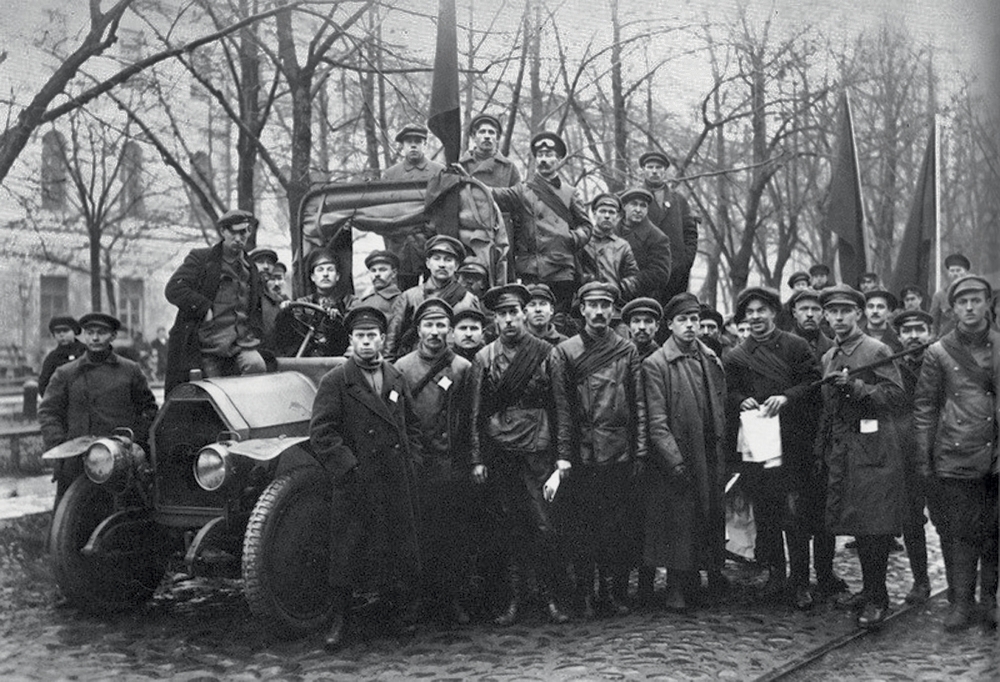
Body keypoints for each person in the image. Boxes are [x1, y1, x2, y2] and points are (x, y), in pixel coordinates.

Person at [309, 306, 424, 651]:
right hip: (356, 481)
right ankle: (340, 622)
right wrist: (349, 467)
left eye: (372, 336)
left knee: (396, 548)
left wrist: (411, 459)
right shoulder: (336, 381)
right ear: (350, 340)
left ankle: (395, 616)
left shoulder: (395, 377)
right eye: (360, 336)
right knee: (346, 553)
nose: (366, 343)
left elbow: (412, 423)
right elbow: (322, 433)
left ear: (382, 339)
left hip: (393, 478)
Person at [468, 284, 570, 626]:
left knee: (545, 525)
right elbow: (476, 414)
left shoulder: (546, 353)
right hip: (501, 453)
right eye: (502, 314)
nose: (509, 320)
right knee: (509, 526)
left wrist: (563, 455)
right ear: (494, 319)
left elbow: (561, 408)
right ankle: (513, 600)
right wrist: (478, 458)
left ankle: (551, 598)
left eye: (514, 312)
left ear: (524, 314)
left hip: (538, 450)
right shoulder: (484, 358)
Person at [724, 287, 823, 610]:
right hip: (757, 445)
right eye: (749, 312)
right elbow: (729, 393)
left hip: (793, 444)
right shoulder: (737, 356)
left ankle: (800, 582)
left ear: (774, 313)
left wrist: (787, 397)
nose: (755, 317)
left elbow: (813, 382)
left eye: (761, 310)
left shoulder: (796, 347)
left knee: (794, 516)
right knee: (766, 514)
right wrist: (742, 400)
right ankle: (776, 576)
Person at [550, 282, 646, 619]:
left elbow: (638, 405)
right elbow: (561, 408)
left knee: (614, 527)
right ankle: (585, 594)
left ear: (613, 309)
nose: (600, 311)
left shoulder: (627, 350)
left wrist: (641, 450)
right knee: (582, 527)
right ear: (582, 309)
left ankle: (610, 592)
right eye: (593, 304)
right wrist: (563, 455)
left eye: (606, 304)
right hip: (582, 453)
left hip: (618, 451)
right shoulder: (565, 351)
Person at [815, 284, 907, 628]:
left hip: (874, 449)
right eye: (832, 312)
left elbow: (896, 396)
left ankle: (877, 597)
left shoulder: (875, 350)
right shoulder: (828, 356)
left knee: (874, 526)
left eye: (845, 311)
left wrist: (858, 388)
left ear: (859, 314)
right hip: (842, 450)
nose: (838, 318)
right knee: (854, 521)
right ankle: (868, 590)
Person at [914, 275, 998, 631]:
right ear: (953, 308)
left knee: (995, 531)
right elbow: (925, 407)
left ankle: (989, 600)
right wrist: (923, 458)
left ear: (987, 304)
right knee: (960, 533)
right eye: (962, 302)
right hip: (955, 453)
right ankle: (960, 603)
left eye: (976, 300)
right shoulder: (939, 352)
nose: (969, 308)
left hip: (997, 455)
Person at [642, 292, 728, 612]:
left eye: (694, 320)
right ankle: (676, 587)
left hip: (708, 449)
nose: (691, 326)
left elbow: (719, 405)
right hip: (679, 453)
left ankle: (699, 579)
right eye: (683, 320)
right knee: (678, 521)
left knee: (706, 515)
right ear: (670, 325)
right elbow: (656, 419)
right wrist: (673, 460)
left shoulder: (710, 359)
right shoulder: (656, 364)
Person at [394, 298, 474, 625]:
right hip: (416, 464)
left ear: (451, 331)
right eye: (429, 325)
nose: (435, 332)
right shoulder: (401, 368)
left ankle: (451, 599)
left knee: (452, 536)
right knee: (416, 536)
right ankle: (414, 602)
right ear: (418, 330)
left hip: (450, 464)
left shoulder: (462, 369)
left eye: (442, 325)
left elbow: (471, 418)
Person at [39, 312, 158, 510]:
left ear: (112, 336)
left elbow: (148, 409)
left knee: (125, 519)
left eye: (101, 333)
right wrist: (60, 444)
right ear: (84, 336)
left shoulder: (130, 371)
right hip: (77, 461)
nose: (95, 338)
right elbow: (48, 411)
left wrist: (134, 442)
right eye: (90, 332)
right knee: (69, 525)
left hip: (120, 460)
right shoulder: (66, 373)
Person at [786, 288, 849, 602]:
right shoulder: (785, 346)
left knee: (827, 514)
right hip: (795, 443)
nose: (810, 314)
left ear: (823, 313)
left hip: (827, 442)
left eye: (815, 308)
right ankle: (799, 582)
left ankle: (825, 573)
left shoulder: (833, 349)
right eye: (803, 309)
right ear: (793, 313)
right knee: (797, 517)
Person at [490, 132, 592, 316]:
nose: (544, 159)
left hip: (561, 269)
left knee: (560, 320)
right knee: (533, 319)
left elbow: (586, 226)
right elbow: (496, 194)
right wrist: (468, 180)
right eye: (540, 155)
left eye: (549, 155)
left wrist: (571, 239)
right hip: (532, 270)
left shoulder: (570, 192)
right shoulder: (523, 191)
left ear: (559, 159)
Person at [164, 209, 266, 392]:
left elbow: (255, 307)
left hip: (240, 344)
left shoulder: (251, 268)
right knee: (216, 395)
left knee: (257, 367)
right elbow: (174, 289)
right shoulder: (202, 259)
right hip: (208, 346)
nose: (238, 238)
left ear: (249, 232)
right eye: (233, 232)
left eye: (243, 232)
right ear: (223, 232)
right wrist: (204, 308)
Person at [891, 308, 935, 606]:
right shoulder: (892, 366)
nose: (914, 336)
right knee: (911, 520)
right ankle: (921, 581)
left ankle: (964, 587)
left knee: (950, 520)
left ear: (929, 332)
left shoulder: (941, 361)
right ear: (899, 335)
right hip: (907, 456)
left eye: (920, 329)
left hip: (942, 451)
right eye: (907, 331)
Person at [385, 235, 480, 359]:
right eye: (437, 259)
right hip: (417, 365)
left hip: (454, 364)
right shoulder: (409, 296)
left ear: (456, 266)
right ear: (428, 263)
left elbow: (476, 339)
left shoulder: (468, 299)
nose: (442, 265)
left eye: (448, 260)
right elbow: (392, 339)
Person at [383, 124, 446, 289]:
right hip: (401, 247)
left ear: (424, 144)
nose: (413, 145)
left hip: (430, 244)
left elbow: (445, 211)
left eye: (417, 141)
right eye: (408, 142)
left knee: (433, 292)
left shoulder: (438, 171)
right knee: (404, 295)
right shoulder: (391, 174)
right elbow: (385, 213)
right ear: (402, 146)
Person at [639, 150, 698, 301]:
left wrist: (685, 262)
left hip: (675, 273)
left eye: (658, 167)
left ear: (665, 171)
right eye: (650, 167)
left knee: (673, 317)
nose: (654, 171)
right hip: (644, 272)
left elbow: (690, 233)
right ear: (643, 170)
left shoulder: (679, 200)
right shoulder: (634, 199)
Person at [273, 249, 354, 357]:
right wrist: (286, 311)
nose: (325, 274)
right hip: (306, 356)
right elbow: (293, 333)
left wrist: (336, 320)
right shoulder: (301, 303)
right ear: (313, 277)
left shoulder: (350, 301)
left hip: (338, 357)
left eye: (330, 270)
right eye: (320, 270)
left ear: (337, 276)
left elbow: (352, 330)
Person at [616, 188, 673, 307]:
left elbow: (659, 273)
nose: (638, 210)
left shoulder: (658, 237)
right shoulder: (611, 231)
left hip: (639, 300)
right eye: (634, 204)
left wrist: (630, 283)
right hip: (607, 296)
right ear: (624, 206)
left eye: (643, 206)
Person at [581, 193, 639, 297]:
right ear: (594, 214)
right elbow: (574, 272)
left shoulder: (623, 246)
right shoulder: (583, 241)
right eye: (602, 211)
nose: (607, 216)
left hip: (614, 302)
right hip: (587, 299)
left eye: (611, 212)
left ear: (617, 217)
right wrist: (589, 282)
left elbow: (633, 276)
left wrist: (618, 288)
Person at [458, 114, 521, 189]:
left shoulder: (509, 167)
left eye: (491, 132)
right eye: (482, 132)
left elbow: (517, 196)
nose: (487, 136)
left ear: (497, 138)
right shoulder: (461, 166)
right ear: (473, 137)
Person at [38, 316, 86, 398]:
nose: (61, 335)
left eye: (66, 331)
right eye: (57, 332)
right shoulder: (52, 358)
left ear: (74, 331)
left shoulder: (86, 352)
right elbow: (43, 385)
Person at [929, 253, 971, 336]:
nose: (955, 273)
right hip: (948, 340)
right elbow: (933, 322)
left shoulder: (974, 292)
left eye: (958, 270)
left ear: (966, 272)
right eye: (952, 271)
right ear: (948, 273)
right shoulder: (940, 296)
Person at [249, 247, 284, 348]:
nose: (266, 267)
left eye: (270, 263)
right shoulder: (243, 293)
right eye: (260, 262)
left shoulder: (276, 300)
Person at [357, 250, 403, 316]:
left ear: (394, 273)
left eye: (382, 270)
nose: (377, 274)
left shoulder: (400, 301)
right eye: (373, 270)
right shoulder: (363, 299)